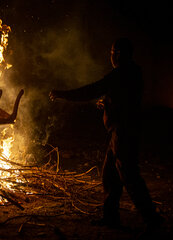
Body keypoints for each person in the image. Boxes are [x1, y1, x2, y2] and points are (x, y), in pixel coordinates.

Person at [49, 38, 164, 232]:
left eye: (114, 52)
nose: (112, 56)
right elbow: (125, 98)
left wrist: (63, 94)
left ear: (121, 54)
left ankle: (151, 218)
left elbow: (91, 90)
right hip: (121, 131)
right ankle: (111, 218)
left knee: (129, 175)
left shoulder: (120, 74)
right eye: (111, 52)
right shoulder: (133, 72)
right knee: (110, 175)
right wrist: (108, 103)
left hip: (123, 132)